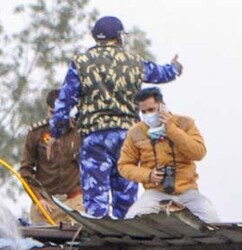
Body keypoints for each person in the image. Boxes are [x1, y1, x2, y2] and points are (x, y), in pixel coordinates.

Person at [49, 16, 182, 219]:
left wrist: (56, 133)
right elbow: (162, 74)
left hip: (94, 139)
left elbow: (64, 103)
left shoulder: (80, 63)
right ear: (119, 38)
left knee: (96, 206)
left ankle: (99, 240)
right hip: (128, 139)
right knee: (126, 204)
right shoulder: (134, 62)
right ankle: (125, 243)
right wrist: (175, 68)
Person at [118, 87, 218, 222]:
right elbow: (124, 166)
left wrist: (171, 129)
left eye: (151, 110)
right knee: (132, 220)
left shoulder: (185, 123)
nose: (148, 115)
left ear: (162, 106)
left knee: (212, 220)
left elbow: (199, 153)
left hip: (187, 191)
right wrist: (148, 175)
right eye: (144, 112)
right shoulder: (135, 132)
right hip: (154, 193)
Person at [19, 89, 83, 224]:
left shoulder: (79, 132)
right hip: (46, 202)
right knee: (39, 241)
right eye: (52, 113)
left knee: (80, 236)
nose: (56, 118)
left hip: (74, 201)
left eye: (60, 113)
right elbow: (25, 170)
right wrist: (38, 198)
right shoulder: (36, 133)